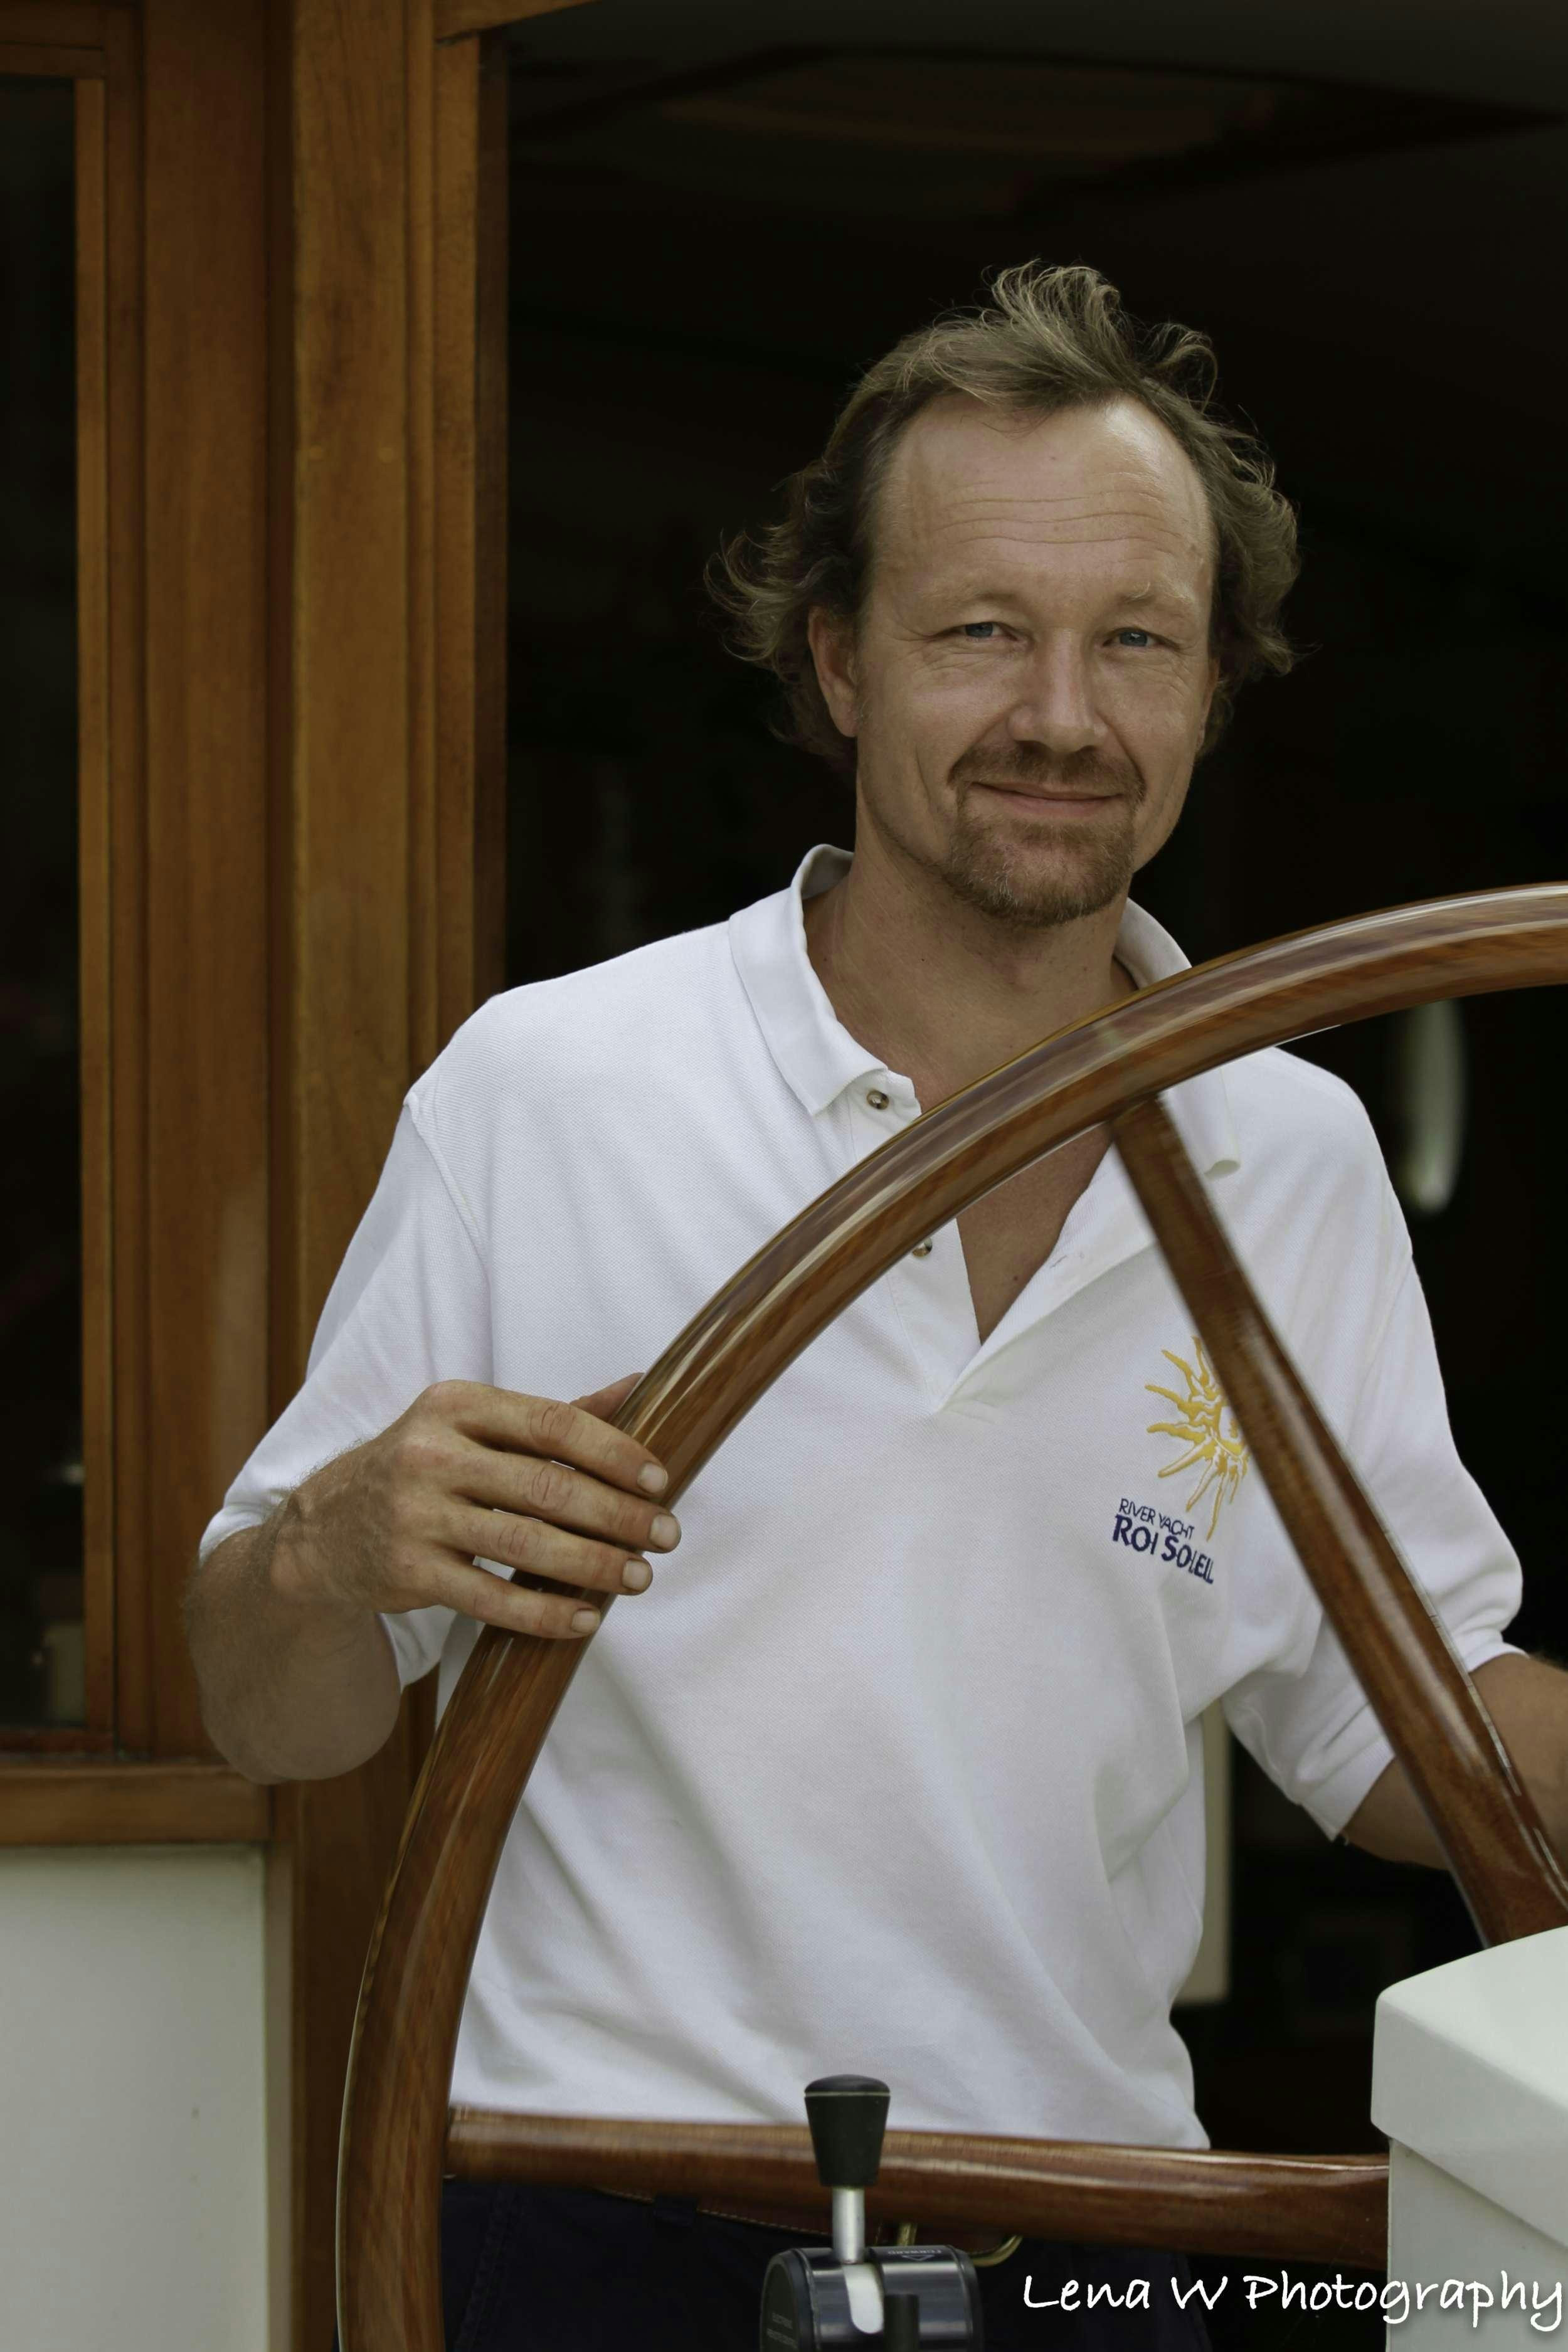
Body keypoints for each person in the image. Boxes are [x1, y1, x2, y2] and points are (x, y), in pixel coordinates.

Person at [184, 262, 1568, 2351]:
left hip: (1099, 2243)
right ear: (835, 660)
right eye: (980, 632)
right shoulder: (552, 1087)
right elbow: (273, 1711)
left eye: (1134, 643)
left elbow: (1393, 1726)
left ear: (1210, 687)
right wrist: (326, 1546)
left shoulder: (1284, 1151)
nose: (1059, 717)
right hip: (603, 2236)